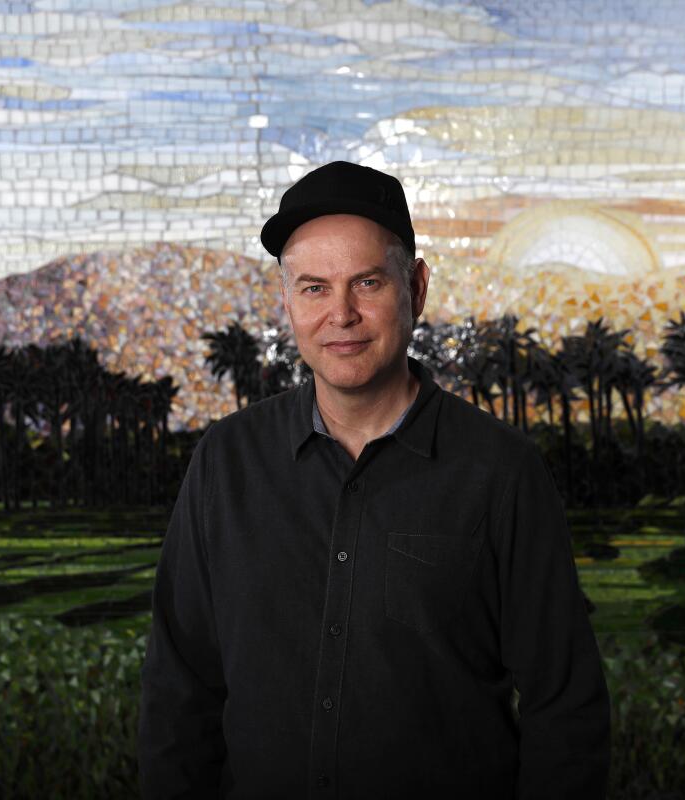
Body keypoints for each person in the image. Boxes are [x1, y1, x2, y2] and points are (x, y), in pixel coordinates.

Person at [137, 160, 611, 799]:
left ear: (415, 288)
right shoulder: (226, 462)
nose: (341, 314)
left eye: (366, 283)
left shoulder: (502, 474)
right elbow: (180, 692)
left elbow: (566, 707)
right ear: (287, 302)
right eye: (313, 288)